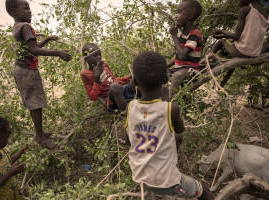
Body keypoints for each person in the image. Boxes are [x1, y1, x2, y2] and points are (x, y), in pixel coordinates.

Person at [124, 51, 212, 200]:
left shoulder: (130, 107)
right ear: (166, 79)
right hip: (167, 182)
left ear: (135, 82)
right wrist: (167, 100)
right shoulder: (171, 108)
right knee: (205, 191)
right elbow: (180, 129)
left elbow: (127, 141)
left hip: (139, 175)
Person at [5, 0, 72, 149]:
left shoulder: (17, 27)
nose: (30, 11)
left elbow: (32, 47)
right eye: (25, 8)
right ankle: (40, 138)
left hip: (20, 70)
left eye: (29, 8)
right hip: (28, 71)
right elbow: (34, 51)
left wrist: (47, 39)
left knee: (33, 104)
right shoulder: (26, 27)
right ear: (13, 11)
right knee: (36, 104)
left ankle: (39, 132)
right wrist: (57, 53)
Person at [207, 0, 269, 86]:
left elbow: (236, 36)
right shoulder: (265, 14)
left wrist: (221, 31)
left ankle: (207, 58)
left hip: (242, 51)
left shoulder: (245, 10)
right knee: (228, 38)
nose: (238, 1)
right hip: (255, 53)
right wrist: (224, 35)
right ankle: (210, 58)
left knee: (222, 40)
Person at [81, 43, 140, 111]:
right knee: (114, 87)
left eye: (99, 54)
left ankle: (144, 101)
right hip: (113, 101)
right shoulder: (85, 75)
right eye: (95, 55)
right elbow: (93, 97)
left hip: (122, 91)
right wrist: (96, 77)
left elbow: (113, 80)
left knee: (136, 76)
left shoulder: (104, 65)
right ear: (86, 58)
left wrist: (128, 78)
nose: (99, 57)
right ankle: (127, 113)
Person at [167, 0, 203, 99]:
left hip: (191, 70)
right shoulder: (182, 33)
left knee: (176, 76)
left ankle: (171, 105)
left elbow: (183, 55)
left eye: (179, 12)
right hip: (178, 69)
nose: (176, 16)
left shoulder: (195, 33)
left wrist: (174, 35)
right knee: (160, 73)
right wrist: (164, 66)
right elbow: (178, 57)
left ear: (190, 16)